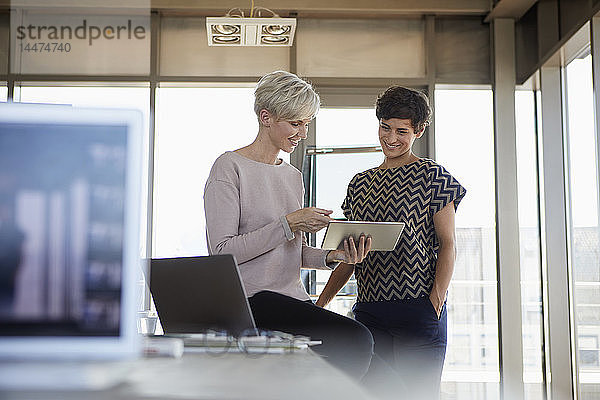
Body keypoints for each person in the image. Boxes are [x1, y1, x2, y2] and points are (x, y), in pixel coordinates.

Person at [204, 70, 374, 379]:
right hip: (252, 300)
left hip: (292, 298)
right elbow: (222, 252)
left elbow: (291, 250)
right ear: (266, 117)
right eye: (295, 124)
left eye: (307, 124)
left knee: (378, 367)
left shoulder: (292, 176)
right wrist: (289, 222)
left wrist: (332, 257)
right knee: (356, 340)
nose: (303, 133)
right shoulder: (229, 167)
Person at [316, 86, 466, 399]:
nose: (391, 138)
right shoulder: (360, 183)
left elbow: (448, 244)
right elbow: (350, 254)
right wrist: (320, 305)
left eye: (401, 131)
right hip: (370, 310)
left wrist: (435, 301)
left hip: (418, 308)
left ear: (419, 131)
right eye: (385, 128)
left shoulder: (433, 176)